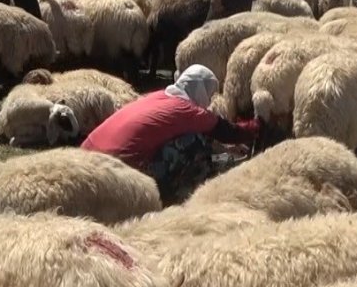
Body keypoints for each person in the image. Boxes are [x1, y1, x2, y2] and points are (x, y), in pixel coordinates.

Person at [80, 64, 259, 200]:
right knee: (195, 142)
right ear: (201, 89)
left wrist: (226, 150)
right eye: (209, 93)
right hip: (116, 170)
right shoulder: (187, 110)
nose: (210, 99)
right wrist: (260, 124)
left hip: (84, 156)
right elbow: (230, 132)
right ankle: (173, 192)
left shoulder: (158, 96)